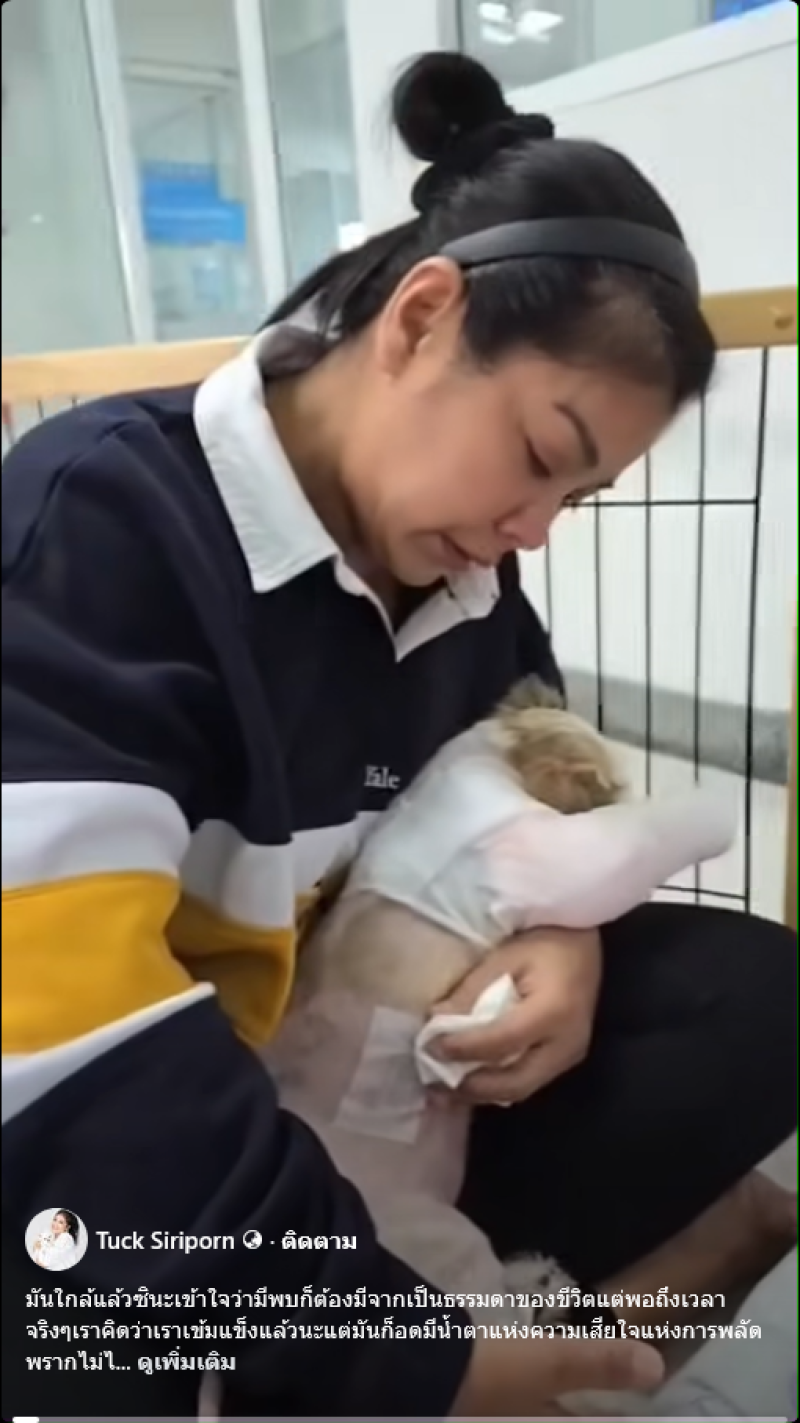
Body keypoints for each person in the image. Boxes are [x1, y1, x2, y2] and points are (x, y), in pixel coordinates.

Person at [2, 49, 795, 1421]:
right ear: (423, 318)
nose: (532, 530)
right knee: (79, 1320)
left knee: (746, 994)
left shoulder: (466, 585)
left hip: (360, 1086)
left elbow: (536, 779)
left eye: (579, 499)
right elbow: (69, 1051)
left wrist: (564, 942)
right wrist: (385, 1349)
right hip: (135, 1140)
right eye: (540, 455)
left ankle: (480, 1301)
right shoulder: (101, 531)